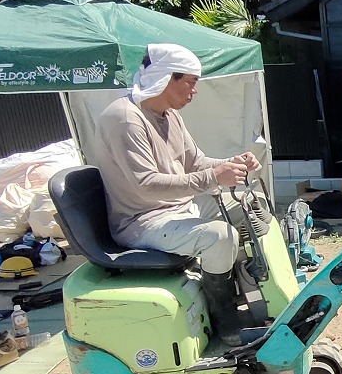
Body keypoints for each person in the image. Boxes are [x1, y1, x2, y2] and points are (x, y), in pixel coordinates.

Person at [95, 43, 260, 345]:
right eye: (191, 82)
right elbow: (146, 184)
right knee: (219, 236)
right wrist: (213, 177)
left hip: (177, 210)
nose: (195, 91)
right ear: (167, 78)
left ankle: (252, 292)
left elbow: (195, 162)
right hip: (142, 221)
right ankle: (221, 313)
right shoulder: (125, 118)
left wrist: (231, 163)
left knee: (252, 206)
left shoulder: (168, 115)